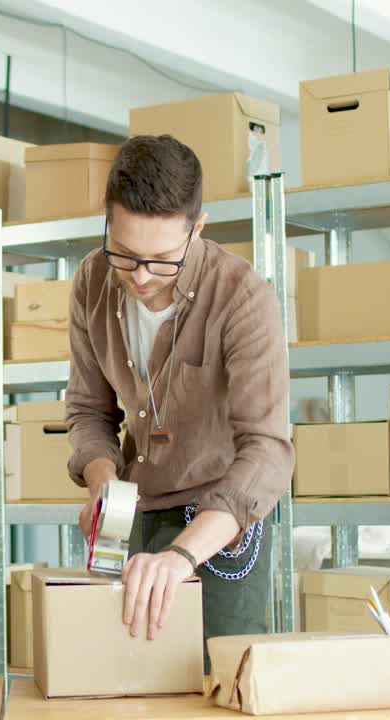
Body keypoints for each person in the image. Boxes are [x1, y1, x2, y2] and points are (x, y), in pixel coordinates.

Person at [65, 135, 293, 671]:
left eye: (162, 259)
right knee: (130, 682)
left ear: (198, 227)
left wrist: (182, 556)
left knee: (219, 684)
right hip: (137, 510)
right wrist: (104, 489)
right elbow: (89, 411)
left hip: (221, 521)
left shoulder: (241, 297)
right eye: (125, 253)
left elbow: (266, 450)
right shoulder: (93, 282)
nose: (140, 277)